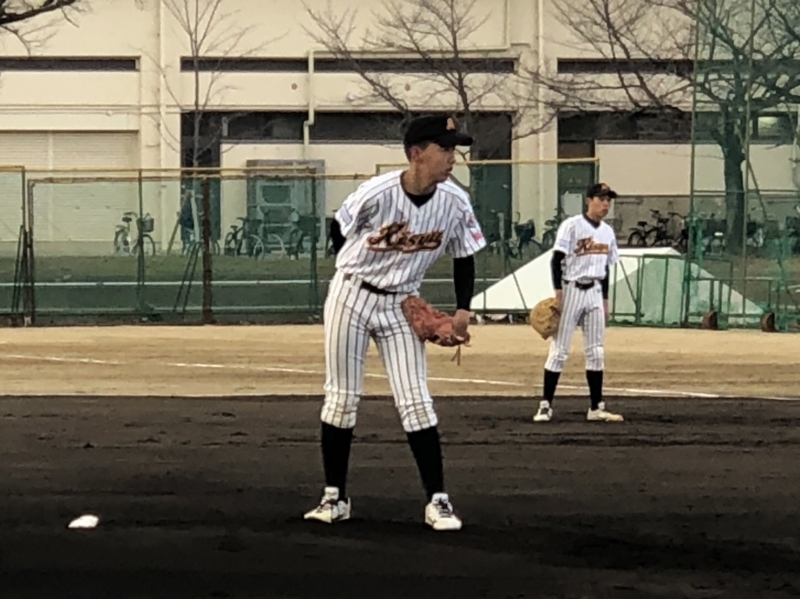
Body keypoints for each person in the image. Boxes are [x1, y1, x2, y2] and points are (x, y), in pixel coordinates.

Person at [304, 115, 487, 531]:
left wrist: (462, 309)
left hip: (402, 304)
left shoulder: (454, 201)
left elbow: (464, 254)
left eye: (454, 149)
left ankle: (438, 501)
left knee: (416, 400)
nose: (452, 158)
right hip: (352, 296)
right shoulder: (377, 192)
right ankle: (335, 497)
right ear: (416, 153)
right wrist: (357, 266)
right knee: (342, 398)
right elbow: (338, 228)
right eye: (444, 149)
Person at [533, 182, 624, 423]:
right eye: (601, 199)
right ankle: (545, 406)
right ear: (588, 200)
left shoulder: (607, 232)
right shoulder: (572, 225)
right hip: (571, 289)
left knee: (596, 351)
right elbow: (556, 259)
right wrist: (558, 292)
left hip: (595, 290)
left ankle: (596, 407)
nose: (605, 204)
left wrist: (605, 299)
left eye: (608, 200)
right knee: (559, 350)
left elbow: (606, 267)